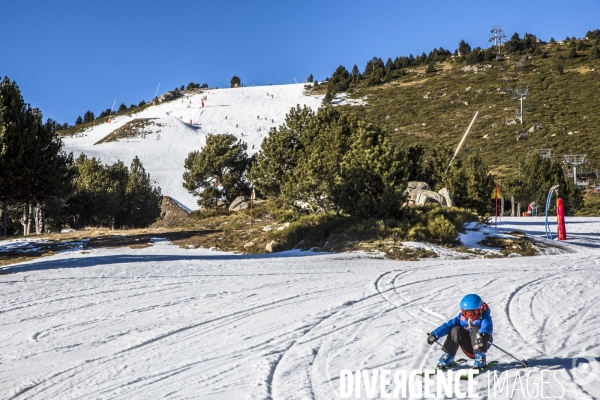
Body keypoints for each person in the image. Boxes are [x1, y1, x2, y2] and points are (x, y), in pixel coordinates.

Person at [427, 294, 493, 369]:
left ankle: (480, 357)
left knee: (476, 328)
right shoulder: (461, 318)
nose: (470, 316)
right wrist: (435, 334)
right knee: (455, 329)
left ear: (480, 309)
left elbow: (487, 326)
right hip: (468, 346)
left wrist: (484, 334)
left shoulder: (484, 317)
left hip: (481, 342)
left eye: (473, 312)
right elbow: (447, 325)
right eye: (467, 313)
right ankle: (448, 356)